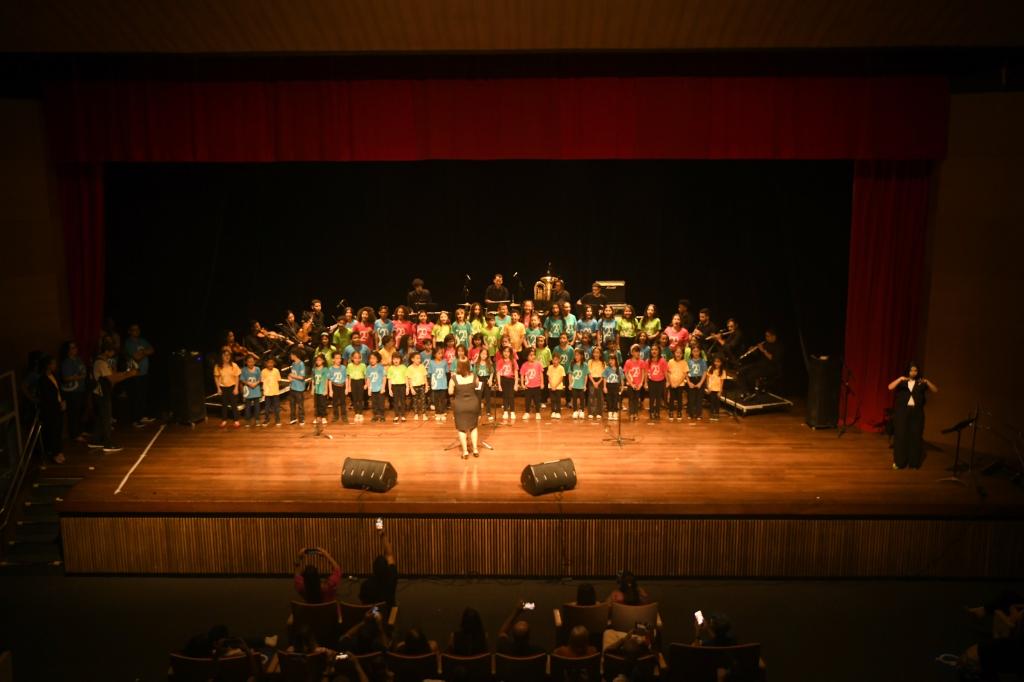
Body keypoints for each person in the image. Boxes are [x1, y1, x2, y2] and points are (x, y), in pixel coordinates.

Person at [887, 362, 938, 470]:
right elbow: (890, 387)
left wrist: (927, 381)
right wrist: (900, 379)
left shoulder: (921, 383)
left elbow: (935, 390)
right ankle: (899, 462)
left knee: (915, 437)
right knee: (901, 436)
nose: (913, 372)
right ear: (908, 371)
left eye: (915, 370)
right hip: (902, 413)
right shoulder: (903, 382)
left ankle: (913, 463)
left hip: (916, 413)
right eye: (911, 370)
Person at [87, 341, 134, 453]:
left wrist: (124, 374)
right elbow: (112, 378)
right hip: (101, 394)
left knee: (100, 417)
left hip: (101, 393)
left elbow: (112, 375)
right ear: (107, 351)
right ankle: (107, 443)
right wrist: (128, 374)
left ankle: (95, 440)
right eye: (112, 351)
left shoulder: (104, 361)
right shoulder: (100, 363)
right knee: (106, 417)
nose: (113, 354)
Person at [359, 524, 399, 612]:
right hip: (388, 615)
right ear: (386, 568)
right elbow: (390, 555)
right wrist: (382, 535)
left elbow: (364, 606)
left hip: (372, 616)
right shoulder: (392, 577)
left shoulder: (366, 585)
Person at [449, 359, 483, 458]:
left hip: (460, 405)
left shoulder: (453, 378)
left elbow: (450, 392)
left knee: (462, 428)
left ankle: (465, 452)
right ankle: (475, 450)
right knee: (473, 427)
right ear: (469, 366)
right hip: (473, 404)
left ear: (458, 366)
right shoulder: (474, 377)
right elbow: (477, 386)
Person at [123, 323, 155, 428]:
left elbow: (152, 350)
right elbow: (136, 357)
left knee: (143, 396)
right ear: (129, 331)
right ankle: (135, 420)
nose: (136, 331)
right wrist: (145, 352)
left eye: (137, 329)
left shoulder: (142, 340)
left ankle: (141, 416)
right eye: (134, 329)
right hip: (134, 373)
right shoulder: (128, 343)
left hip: (144, 373)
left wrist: (142, 352)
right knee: (135, 397)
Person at [736, 329, 784, 398]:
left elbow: (773, 359)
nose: (766, 338)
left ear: (774, 336)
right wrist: (753, 351)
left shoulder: (779, 346)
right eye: (766, 336)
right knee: (740, 372)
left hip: (771, 367)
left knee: (750, 376)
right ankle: (746, 392)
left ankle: (753, 393)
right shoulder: (765, 343)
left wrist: (763, 350)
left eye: (768, 336)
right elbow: (758, 355)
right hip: (760, 365)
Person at [37, 355, 65, 464]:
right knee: (52, 431)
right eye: (53, 363)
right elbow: (47, 396)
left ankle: (58, 451)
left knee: (58, 430)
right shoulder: (42, 379)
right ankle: (54, 453)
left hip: (58, 407)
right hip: (50, 409)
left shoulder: (54, 376)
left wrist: (62, 401)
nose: (55, 365)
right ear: (48, 365)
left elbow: (58, 390)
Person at [59, 341, 88, 443]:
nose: (74, 349)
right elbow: (66, 378)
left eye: (75, 347)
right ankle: (75, 434)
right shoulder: (66, 362)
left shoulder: (79, 359)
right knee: (74, 412)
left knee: (80, 410)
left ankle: (79, 431)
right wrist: (79, 377)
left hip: (81, 388)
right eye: (72, 348)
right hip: (72, 391)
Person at [214, 348, 242, 428]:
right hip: (223, 387)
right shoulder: (218, 366)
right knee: (224, 405)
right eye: (225, 355)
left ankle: (236, 420)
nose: (227, 357)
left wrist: (236, 388)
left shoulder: (234, 365)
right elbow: (216, 377)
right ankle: (224, 420)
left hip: (232, 387)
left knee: (234, 404)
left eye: (228, 355)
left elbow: (237, 377)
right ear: (221, 356)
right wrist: (218, 388)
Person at [623, 344, 647, 422]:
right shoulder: (628, 362)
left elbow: (643, 373)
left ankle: (636, 413)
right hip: (631, 384)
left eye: (638, 352)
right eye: (636, 352)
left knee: (636, 399)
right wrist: (631, 383)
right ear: (632, 352)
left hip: (638, 384)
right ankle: (631, 413)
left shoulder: (641, 362)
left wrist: (641, 383)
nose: (638, 353)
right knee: (631, 399)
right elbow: (626, 373)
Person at [496, 345, 519, 423]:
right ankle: (505, 411)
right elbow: (498, 373)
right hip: (503, 379)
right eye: (504, 351)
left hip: (511, 379)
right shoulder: (500, 361)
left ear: (510, 353)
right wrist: (499, 384)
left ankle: (512, 411)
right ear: (502, 352)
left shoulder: (513, 361)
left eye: (508, 351)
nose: (506, 353)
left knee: (511, 396)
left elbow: (516, 372)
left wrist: (516, 384)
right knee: (505, 396)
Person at [519, 349, 544, 421]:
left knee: (537, 400)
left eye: (533, 355)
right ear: (527, 357)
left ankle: (538, 412)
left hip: (537, 385)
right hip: (528, 386)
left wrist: (542, 383)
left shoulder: (538, 364)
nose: (533, 356)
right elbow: (522, 375)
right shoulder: (524, 365)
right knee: (527, 400)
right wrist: (522, 384)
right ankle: (527, 412)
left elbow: (541, 374)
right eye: (531, 355)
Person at [645, 345, 668, 422]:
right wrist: (645, 383)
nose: (654, 351)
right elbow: (646, 373)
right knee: (652, 398)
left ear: (659, 351)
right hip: (651, 381)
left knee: (658, 398)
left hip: (660, 381)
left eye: (656, 350)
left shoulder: (662, 361)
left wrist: (667, 381)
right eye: (652, 349)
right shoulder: (648, 361)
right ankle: (651, 412)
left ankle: (657, 412)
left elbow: (665, 372)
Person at [427, 347, 450, 422]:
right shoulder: (431, 362)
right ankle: (437, 413)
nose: (441, 355)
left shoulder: (444, 362)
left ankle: (442, 412)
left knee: (443, 399)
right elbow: (430, 374)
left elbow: (446, 372)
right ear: (434, 354)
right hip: (435, 384)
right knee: (436, 399)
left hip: (443, 383)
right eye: (439, 353)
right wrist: (430, 383)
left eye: (441, 353)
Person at [686, 346, 708, 422]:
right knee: (691, 397)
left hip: (700, 380)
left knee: (699, 398)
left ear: (700, 352)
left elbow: (705, 372)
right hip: (691, 379)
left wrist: (700, 383)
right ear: (692, 352)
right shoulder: (689, 361)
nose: (696, 353)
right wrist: (689, 382)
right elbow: (686, 372)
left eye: (697, 351)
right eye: (694, 351)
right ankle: (690, 413)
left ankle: (699, 414)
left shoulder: (703, 361)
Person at [473, 347, 495, 421]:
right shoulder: (477, 363)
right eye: (482, 354)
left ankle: (488, 412)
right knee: (478, 397)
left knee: (488, 397)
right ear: (480, 354)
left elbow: (492, 372)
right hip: (479, 380)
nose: (484, 355)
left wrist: (490, 379)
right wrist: (476, 378)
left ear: (487, 355)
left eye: (485, 354)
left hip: (486, 380)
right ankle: (478, 413)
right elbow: (474, 372)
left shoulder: (489, 363)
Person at [240, 354, 263, 428]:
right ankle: (248, 420)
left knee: (257, 406)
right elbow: (242, 379)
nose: (251, 363)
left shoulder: (257, 369)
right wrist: (248, 384)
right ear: (246, 362)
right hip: (248, 391)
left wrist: (256, 383)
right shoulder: (244, 369)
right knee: (248, 407)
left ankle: (257, 420)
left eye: (252, 361)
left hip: (256, 390)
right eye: (249, 362)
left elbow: (260, 378)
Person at [667, 345, 688, 422]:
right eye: (677, 352)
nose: (678, 354)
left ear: (682, 354)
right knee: (671, 399)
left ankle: (679, 412)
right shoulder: (670, 362)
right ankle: (671, 412)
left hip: (680, 385)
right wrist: (671, 383)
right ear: (674, 353)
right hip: (672, 384)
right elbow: (668, 372)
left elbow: (684, 375)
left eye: (680, 353)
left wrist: (678, 383)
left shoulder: (684, 362)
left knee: (679, 399)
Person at [365, 352, 387, 423]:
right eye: (370, 358)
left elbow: (384, 377)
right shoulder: (368, 368)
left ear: (377, 359)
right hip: (372, 389)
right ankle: (375, 415)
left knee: (381, 403)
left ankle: (382, 415)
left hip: (380, 388)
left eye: (374, 358)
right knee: (374, 403)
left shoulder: (380, 367)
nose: (372, 360)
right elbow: (368, 378)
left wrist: (383, 387)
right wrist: (369, 388)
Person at [346, 351, 367, 423]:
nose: (357, 359)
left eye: (358, 358)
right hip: (353, 382)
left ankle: (360, 413)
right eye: (355, 358)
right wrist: (348, 386)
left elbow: (365, 376)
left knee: (360, 398)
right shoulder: (349, 365)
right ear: (352, 358)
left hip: (360, 382)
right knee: (354, 399)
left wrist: (366, 384)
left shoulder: (363, 365)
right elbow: (348, 377)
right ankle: (356, 413)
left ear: (361, 358)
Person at [406, 352, 428, 421]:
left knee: (423, 400)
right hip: (414, 387)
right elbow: (409, 379)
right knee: (415, 401)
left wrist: (426, 386)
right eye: (417, 358)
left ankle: (424, 414)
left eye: (419, 358)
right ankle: (416, 414)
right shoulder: (409, 368)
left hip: (422, 385)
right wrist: (411, 388)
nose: (419, 360)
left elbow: (425, 377)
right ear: (412, 359)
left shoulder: (422, 366)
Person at [311, 353, 331, 430]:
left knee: (322, 404)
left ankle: (323, 416)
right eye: (317, 360)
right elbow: (313, 380)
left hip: (322, 389)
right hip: (316, 389)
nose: (318, 362)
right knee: (316, 404)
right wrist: (312, 389)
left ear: (323, 361)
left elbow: (326, 380)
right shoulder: (314, 369)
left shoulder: (325, 369)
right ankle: (317, 416)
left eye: (319, 360)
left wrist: (326, 389)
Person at [261, 356, 283, 426]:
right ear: (266, 363)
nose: (270, 364)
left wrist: (275, 388)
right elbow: (262, 381)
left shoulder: (276, 370)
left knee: (276, 407)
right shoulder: (263, 371)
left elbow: (278, 380)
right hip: (267, 393)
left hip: (275, 392)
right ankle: (267, 419)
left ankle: (278, 420)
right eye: (269, 363)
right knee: (267, 407)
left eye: (272, 363)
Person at [386, 353, 407, 423]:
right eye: (394, 359)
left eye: (397, 358)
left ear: (400, 359)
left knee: (403, 401)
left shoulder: (404, 367)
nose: (396, 360)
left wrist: (407, 387)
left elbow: (406, 377)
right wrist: (389, 389)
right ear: (392, 360)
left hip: (402, 385)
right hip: (394, 386)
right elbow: (389, 379)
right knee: (395, 402)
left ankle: (403, 415)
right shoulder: (390, 368)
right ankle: (396, 415)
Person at [287, 349, 306, 426]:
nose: (290, 356)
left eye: (291, 355)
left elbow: (302, 377)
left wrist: (292, 376)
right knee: (292, 404)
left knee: (300, 405)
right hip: (292, 387)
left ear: (295, 355)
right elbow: (291, 374)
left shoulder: (301, 364)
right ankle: (293, 418)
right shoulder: (293, 364)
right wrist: (289, 377)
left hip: (299, 388)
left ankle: (301, 419)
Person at [586, 347, 606, 420]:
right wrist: (594, 382)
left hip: (600, 380)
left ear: (600, 354)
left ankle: (599, 413)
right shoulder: (590, 361)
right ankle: (591, 412)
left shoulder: (603, 363)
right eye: (594, 352)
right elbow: (588, 373)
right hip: (592, 380)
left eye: (598, 352)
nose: (596, 354)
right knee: (591, 396)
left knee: (599, 396)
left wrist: (598, 382)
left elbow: (604, 374)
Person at [568, 349, 588, 420]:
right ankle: (575, 411)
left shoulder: (585, 365)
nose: (576, 357)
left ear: (582, 356)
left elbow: (586, 375)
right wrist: (570, 384)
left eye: (578, 355)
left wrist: (585, 385)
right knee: (574, 398)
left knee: (582, 399)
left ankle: (582, 410)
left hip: (581, 385)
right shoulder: (572, 364)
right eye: (575, 355)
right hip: (574, 385)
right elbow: (570, 374)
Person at [603, 354, 623, 421]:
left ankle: (615, 412)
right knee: (609, 400)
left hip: (616, 386)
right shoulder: (607, 369)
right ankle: (610, 412)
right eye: (610, 360)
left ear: (615, 360)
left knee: (615, 399)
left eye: (612, 359)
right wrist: (604, 387)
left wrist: (622, 386)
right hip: (609, 385)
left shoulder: (619, 369)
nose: (610, 361)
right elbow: (605, 378)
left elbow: (621, 378)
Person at [706, 356, 726, 422]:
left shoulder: (723, 371)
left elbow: (722, 381)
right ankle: (712, 414)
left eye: (718, 362)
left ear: (721, 363)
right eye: (715, 361)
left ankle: (717, 414)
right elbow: (708, 378)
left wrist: (720, 391)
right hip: (711, 389)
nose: (716, 363)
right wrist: (708, 387)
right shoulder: (710, 368)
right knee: (712, 402)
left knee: (717, 403)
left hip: (718, 389)